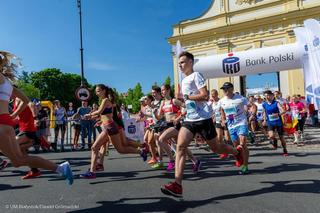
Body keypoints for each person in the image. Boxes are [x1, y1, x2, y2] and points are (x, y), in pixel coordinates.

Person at [161, 52, 243, 197]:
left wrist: (186, 97)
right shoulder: (184, 80)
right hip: (190, 120)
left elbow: (204, 95)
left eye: (183, 62)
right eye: (179, 63)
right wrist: (179, 103)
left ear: (191, 62)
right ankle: (177, 184)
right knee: (180, 147)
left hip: (203, 119)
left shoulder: (196, 76)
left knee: (216, 148)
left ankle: (237, 152)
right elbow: (188, 103)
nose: (180, 65)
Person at [0, 51, 73, 184]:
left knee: (18, 159)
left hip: (3, 126)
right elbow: (26, 99)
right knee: (18, 161)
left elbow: (27, 101)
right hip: (6, 124)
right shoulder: (8, 84)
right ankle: (61, 168)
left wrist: (19, 114)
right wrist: (15, 114)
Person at [79, 84, 148, 179]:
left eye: (98, 91)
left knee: (120, 148)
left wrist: (89, 115)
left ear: (104, 91)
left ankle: (141, 151)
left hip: (110, 127)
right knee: (98, 148)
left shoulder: (106, 100)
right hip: (108, 127)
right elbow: (104, 115)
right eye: (96, 91)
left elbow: (99, 112)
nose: (96, 93)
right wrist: (96, 119)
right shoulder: (104, 101)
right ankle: (93, 170)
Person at [219, 82, 250, 175]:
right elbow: (222, 110)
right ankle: (238, 157)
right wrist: (223, 119)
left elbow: (249, 106)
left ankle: (245, 166)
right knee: (236, 146)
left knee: (243, 143)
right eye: (223, 89)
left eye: (226, 88)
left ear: (232, 89)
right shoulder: (222, 101)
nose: (224, 91)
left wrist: (248, 111)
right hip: (231, 125)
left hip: (241, 122)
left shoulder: (240, 98)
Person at [262, 90, 288, 155]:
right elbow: (264, 112)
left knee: (281, 137)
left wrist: (278, 114)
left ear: (272, 96)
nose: (267, 97)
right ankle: (275, 140)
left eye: (268, 95)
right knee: (271, 136)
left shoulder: (276, 103)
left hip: (278, 122)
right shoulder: (264, 104)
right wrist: (264, 120)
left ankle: (285, 150)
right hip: (270, 122)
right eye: (265, 96)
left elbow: (283, 111)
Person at [209, 89, 230, 159]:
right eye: (212, 95)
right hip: (217, 122)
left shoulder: (221, 101)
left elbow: (222, 111)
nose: (213, 96)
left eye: (214, 95)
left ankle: (231, 150)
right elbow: (214, 113)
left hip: (224, 121)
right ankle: (224, 152)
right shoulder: (212, 104)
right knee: (219, 138)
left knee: (227, 138)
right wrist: (212, 119)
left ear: (217, 94)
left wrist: (223, 120)